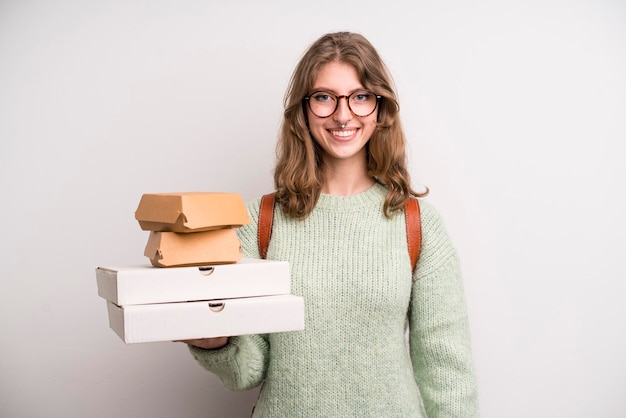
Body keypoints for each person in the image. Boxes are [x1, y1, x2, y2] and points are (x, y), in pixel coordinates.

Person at [182, 31, 479, 417]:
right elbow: (247, 371)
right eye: (324, 97)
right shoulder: (261, 221)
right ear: (303, 110)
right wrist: (215, 344)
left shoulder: (417, 223)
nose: (342, 115)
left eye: (359, 97)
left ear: (379, 108)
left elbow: (448, 371)